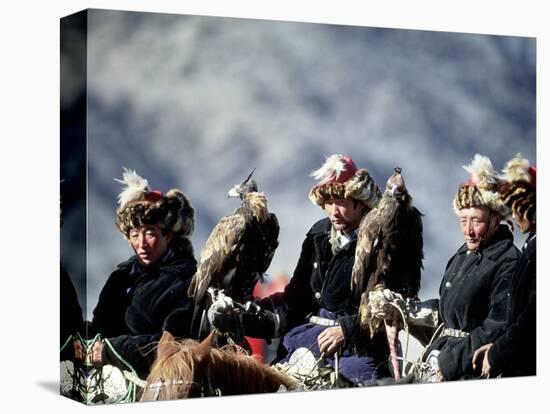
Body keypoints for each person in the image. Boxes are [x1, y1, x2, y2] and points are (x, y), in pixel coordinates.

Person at [209, 154, 390, 385]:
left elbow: (392, 304)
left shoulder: (381, 242)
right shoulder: (318, 235)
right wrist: (243, 316)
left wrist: (347, 329)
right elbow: (296, 301)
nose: (334, 211)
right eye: (329, 202)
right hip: (306, 340)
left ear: (360, 201)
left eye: (342, 202)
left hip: (359, 350)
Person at [410, 154, 520, 381]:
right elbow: (452, 310)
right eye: (463, 220)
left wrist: (450, 364)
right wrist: (408, 311)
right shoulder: (463, 254)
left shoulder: (507, 262)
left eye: (476, 221)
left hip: (471, 369)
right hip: (442, 354)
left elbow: (496, 325)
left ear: (496, 218)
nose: (468, 230)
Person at [81, 168, 197, 378]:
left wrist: (112, 351)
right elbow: (100, 327)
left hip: (157, 382)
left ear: (168, 236)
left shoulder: (186, 280)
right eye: (135, 235)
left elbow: (176, 344)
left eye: (150, 233)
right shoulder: (121, 277)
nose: (142, 244)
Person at [472, 154, 536, 378]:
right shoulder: (532, 247)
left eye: (519, 206)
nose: (514, 214)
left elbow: (533, 318)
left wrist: (498, 352)